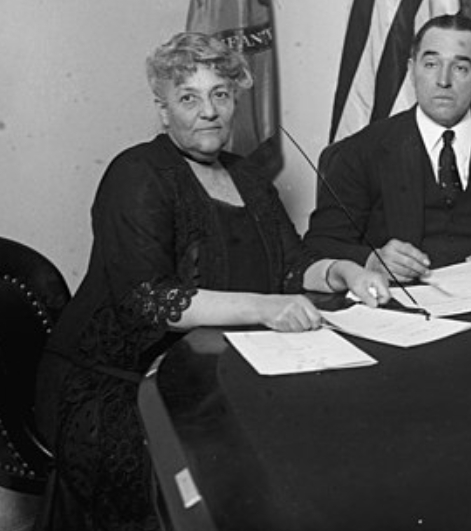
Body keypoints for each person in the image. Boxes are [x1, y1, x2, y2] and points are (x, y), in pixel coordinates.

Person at [34, 32, 389, 531]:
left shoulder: (248, 177)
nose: (208, 111)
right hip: (116, 386)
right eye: (189, 98)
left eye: (220, 94)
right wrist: (265, 308)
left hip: (205, 373)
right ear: (163, 110)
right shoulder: (137, 173)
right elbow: (150, 301)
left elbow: (291, 264)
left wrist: (342, 270)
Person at [305, 13, 471, 283]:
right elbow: (319, 245)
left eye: (460, 68)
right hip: (404, 310)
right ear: (412, 70)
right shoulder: (359, 151)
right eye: (431, 64)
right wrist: (371, 260)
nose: (443, 80)